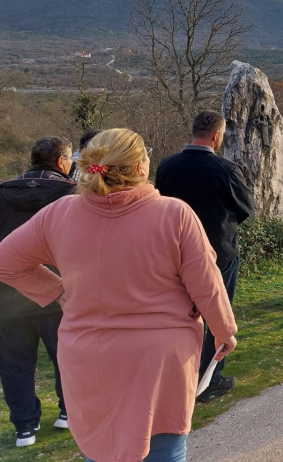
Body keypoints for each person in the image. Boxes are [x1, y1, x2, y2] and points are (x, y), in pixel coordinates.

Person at [0, 128, 237, 462]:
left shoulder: (61, 213)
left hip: (89, 352)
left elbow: (6, 261)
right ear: (141, 167)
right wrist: (224, 330)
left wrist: (57, 292)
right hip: (162, 354)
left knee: (102, 446)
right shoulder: (174, 214)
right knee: (166, 447)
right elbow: (207, 283)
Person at [155, 110, 254, 402]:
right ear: (217, 136)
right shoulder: (226, 169)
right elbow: (246, 208)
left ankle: (177, 373)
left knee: (181, 314)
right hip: (218, 252)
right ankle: (209, 381)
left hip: (175, 252)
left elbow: (159, 205)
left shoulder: (167, 166)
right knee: (215, 315)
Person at [0, 137, 75, 447]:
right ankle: (68, 413)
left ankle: (24, 428)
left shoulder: (2, 193)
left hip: (8, 295)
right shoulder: (71, 195)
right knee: (66, 358)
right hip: (60, 292)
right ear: (61, 162)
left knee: (14, 363)